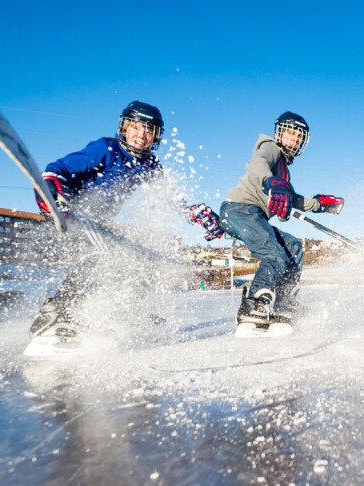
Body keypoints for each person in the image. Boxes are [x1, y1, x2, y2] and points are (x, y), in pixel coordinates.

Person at [29, 101, 224, 340]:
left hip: (99, 223)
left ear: (156, 137)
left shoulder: (149, 164)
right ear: (124, 128)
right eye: (136, 127)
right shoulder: (106, 148)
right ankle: (56, 312)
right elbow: (55, 170)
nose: (141, 135)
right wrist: (53, 195)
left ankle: (123, 311)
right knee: (97, 254)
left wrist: (192, 212)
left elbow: (169, 197)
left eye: (148, 131)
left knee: (141, 259)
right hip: (74, 213)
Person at [218, 111, 344, 328]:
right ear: (279, 134)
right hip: (239, 209)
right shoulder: (270, 148)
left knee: (293, 247)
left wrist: (319, 205)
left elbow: (292, 198)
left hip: (255, 215)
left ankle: (284, 301)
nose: (294, 139)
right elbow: (259, 163)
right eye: (290, 134)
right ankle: (255, 305)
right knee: (274, 255)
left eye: (299, 136)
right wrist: (270, 182)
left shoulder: (284, 171)